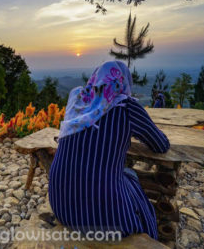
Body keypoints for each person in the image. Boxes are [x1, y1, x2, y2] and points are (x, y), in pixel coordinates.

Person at [48, 61, 170, 240]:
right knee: (130, 178)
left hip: (62, 207)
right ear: (123, 82)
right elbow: (161, 144)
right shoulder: (127, 107)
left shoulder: (76, 100)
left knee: (115, 176)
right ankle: (149, 233)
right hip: (105, 221)